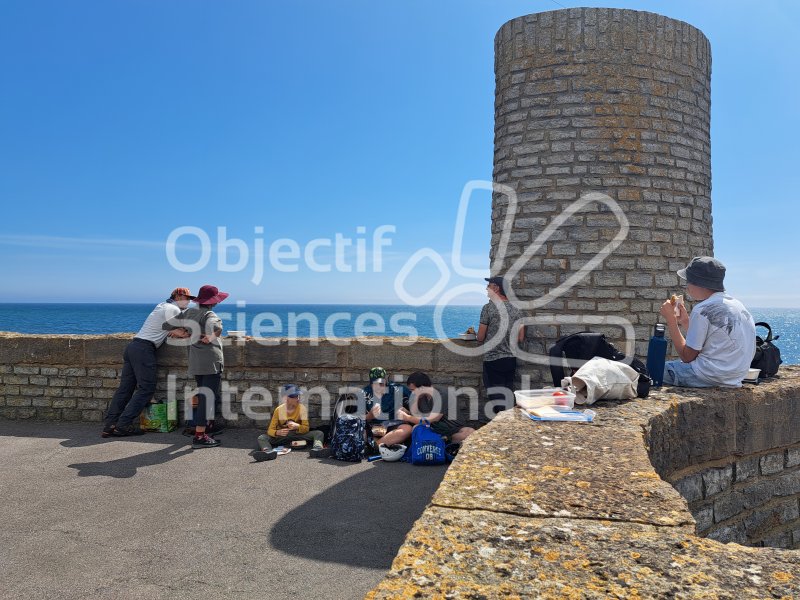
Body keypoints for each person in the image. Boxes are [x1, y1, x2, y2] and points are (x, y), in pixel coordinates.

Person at [102, 287, 194, 438]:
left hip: (133, 347)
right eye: (186, 298)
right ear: (177, 297)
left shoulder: (162, 306)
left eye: (190, 298)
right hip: (144, 350)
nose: (189, 301)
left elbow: (171, 329)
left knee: (125, 389)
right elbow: (185, 331)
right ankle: (123, 425)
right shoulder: (172, 309)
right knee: (146, 389)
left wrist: (176, 332)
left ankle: (109, 425)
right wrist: (183, 332)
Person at [659, 256, 756, 388]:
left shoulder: (702, 310)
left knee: (655, 369)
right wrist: (686, 322)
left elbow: (687, 357)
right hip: (734, 377)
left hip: (707, 376)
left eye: (688, 281)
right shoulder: (739, 306)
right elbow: (714, 340)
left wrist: (671, 321)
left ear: (698, 283)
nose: (687, 287)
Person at [162, 284, 229, 449]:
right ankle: (200, 436)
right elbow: (217, 326)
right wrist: (211, 336)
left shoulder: (189, 313)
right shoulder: (209, 313)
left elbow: (166, 325)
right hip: (211, 362)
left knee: (202, 395)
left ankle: (207, 427)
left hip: (196, 362)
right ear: (213, 301)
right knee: (207, 398)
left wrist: (185, 333)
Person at [477, 276, 525, 414]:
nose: (486, 289)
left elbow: (480, 337)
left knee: (497, 399)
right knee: (507, 394)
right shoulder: (517, 309)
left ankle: (506, 424)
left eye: (489, 286)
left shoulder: (488, 308)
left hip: (492, 359)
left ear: (496, 288)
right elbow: (520, 338)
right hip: (510, 359)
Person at [399, 372, 476, 447]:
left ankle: (442, 441)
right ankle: (440, 442)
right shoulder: (420, 397)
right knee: (417, 427)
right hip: (434, 429)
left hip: (453, 429)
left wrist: (407, 417)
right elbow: (416, 416)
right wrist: (408, 412)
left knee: (470, 433)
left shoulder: (442, 394)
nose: (412, 393)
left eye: (413, 390)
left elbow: (430, 420)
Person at [253, 384, 326, 461]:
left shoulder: (302, 408)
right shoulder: (278, 410)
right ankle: (267, 452)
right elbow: (270, 430)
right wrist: (277, 432)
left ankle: (318, 449)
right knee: (262, 437)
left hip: (298, 435)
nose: (297, 398)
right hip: (282, 436)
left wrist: (297, 426)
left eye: (298, 396)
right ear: (286, 398)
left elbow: (306, 428)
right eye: (294, 396)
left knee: (319, 433)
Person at [363, 367, 413, 446]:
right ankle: (381, 444)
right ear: (371, 383)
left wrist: (407, 412)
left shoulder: (396, 388)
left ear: (386, 381)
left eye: (381, 383)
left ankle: (375, 446)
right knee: (360, 433)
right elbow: (357, 418)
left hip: (393, 427)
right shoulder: (365, 393)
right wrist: (370, 416)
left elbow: (416, 403)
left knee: (408, 429)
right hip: (374, 428)